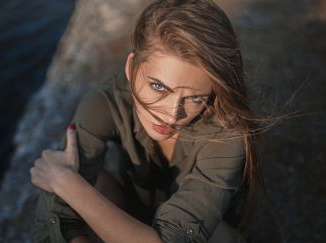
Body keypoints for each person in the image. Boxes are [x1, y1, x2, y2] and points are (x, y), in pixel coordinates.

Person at [30, 0, 265, 242]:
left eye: (195, 97)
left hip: (202, 234)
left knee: (220, 237)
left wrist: (65, 181)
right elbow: (53, 224)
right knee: (94, 183)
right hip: (132, 218)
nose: (172, 114)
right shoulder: (107, 103)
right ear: (131, 67)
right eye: (158, 86)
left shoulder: (227, 135)